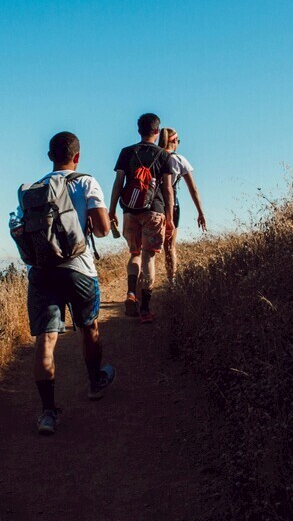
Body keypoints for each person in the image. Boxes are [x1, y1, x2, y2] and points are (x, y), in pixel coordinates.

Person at [16, 131, 115, 436]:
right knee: (89, 327)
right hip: (78, 269)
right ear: (77, 157)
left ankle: (48, 413)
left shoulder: (34, 190)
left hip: (42, 272)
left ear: (49, 156)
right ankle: (95, 382)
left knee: (45, 341)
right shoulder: (86, 182)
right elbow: (102, 230)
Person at [109, 113, 174, 323]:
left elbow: (118, 183)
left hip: (130, 210)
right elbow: (167, 189)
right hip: (154, 210)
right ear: (157, 131)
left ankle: (131, 293)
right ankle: (145, 309)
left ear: (138, 130)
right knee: (149, 258)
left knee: (134, 254)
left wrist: (112, 210)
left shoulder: (126, 152)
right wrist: (170, 217)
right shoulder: (164, 155)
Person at [158, 127, 207, 284]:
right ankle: (171, 282)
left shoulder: (154, 156)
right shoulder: (179, 159)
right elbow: (193, 189)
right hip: (172, 205)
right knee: (169, 246)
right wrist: (201, 212)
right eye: (178, 141)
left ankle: (142, 284)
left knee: (146, 249)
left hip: (152, 205)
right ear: (173, 141)